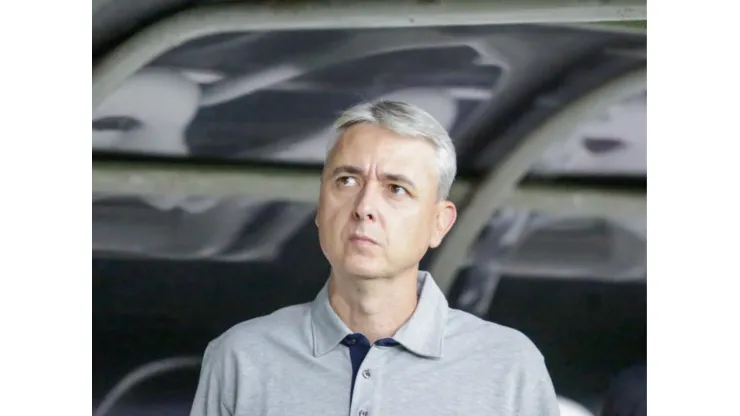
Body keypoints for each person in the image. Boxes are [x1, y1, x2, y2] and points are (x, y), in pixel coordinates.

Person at [189, 101, 561, 416]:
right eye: (346, 181)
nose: (364, 207)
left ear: (438, 223)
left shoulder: (508, 365)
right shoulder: (242, 357)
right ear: (321, 206)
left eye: (396, 189)